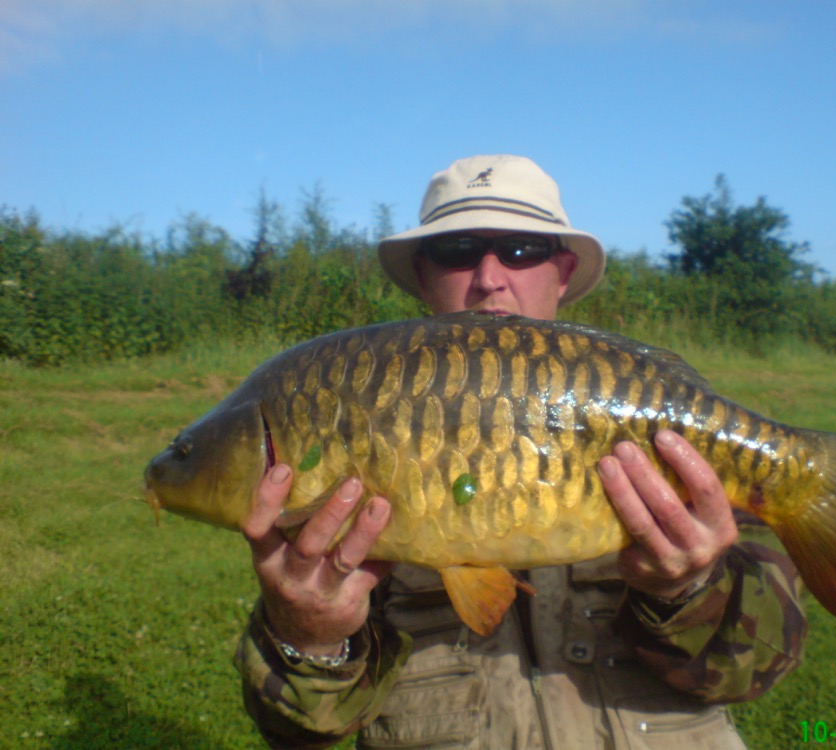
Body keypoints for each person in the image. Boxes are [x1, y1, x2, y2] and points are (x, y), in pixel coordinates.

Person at [234, 155, 806, 749]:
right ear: (424, 277)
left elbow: (760, 666)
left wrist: (688, 589)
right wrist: (309, 629)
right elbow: (301, 731)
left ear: (561, 272)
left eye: (521, 248)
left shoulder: (652, 418)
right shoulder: (358, 417)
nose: (488, 277)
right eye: (457, 249)